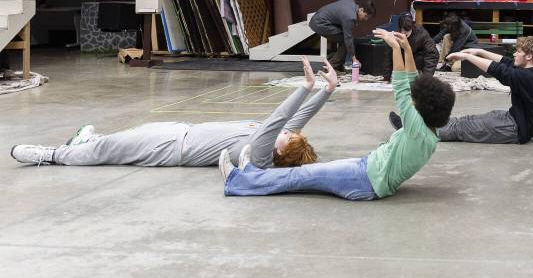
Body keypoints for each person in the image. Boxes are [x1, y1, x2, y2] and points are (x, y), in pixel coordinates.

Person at [219, 29, 455, 201]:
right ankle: (249, 175)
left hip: (365, 180)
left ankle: (239, 181)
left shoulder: (416, 131)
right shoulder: (427, 132)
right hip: (366, 170)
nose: (413, 99)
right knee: (303, 176)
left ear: (422, 109)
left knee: (298, 176)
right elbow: (414, 83)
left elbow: (402, 89)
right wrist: (405, 48)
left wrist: (394, 49)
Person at [10, 56, 336, 167]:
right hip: (179, 131)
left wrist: (304, 86)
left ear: (279, 153)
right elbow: (293, 123)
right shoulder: (274, 142)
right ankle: (87, 141)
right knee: (116, 142)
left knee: (108, 151)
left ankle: (52, 155)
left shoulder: (261, 155)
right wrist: (327, 90)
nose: (285, 133)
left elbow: (280, 119)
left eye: (286, 139)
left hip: (169, 148)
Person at [390, 35, 533, 144]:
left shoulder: (529, 78)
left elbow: (500, 70)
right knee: (464, 121)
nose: (515, 54)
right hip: (512, 119)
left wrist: (467, 57)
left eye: (518, 52)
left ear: (529, 56)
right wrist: (479, 51)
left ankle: (415, 130)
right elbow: (506, 62)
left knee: (460, 128)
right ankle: (417, 123)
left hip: (515, 128)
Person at [308, 0, 375, 69]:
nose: (366, 19)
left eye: (368, 18)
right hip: (320, 23)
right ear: (361, 9)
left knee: (343, 39)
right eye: (366, 16)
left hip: (319, 19)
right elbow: (348, 39)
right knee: (345, 41)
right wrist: (354, 59)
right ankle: (331, 68)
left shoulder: (351, 1)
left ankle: (336, 65)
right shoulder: (350, 17)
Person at [396, 12, 439, 77]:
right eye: (403, 30)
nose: (404, 33)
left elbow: (432, 53)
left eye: (407, 30)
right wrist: (387, 76)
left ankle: (418, 73)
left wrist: (426, 76)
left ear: (412, 26)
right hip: (403, 64)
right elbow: (389, 55)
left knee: (422, 56)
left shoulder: (422, 34)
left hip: (417, 61)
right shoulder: (397, 34)